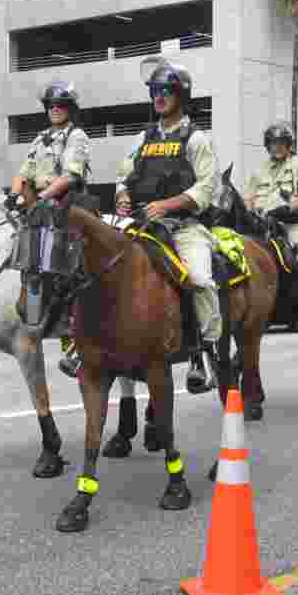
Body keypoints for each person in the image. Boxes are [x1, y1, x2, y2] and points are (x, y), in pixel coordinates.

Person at [115, 59, 221, 393]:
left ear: (180, 96)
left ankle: (204, 352)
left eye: (166, 92)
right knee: (98, 263)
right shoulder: (142, 138)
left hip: (182, 228)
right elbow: (123, 175)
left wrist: (166, 205)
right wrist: (121, 195)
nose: (158, 97)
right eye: (154, 92)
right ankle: (82, 342)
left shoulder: (197, 139)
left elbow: (206, 188)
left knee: (201, 280)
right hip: (142, 226)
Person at [4, 81, 91, 377]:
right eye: (51, 105)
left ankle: (77, 337)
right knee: (23, 261)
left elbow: (69, 176)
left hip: (68, 205)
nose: (55, 109)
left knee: (73, 272)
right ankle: (30, 320)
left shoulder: (76, 136)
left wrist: (41, 198)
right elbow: (23, 172)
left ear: (70, 109)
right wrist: (15, 196)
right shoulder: (40, 138)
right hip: (40, 206)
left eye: (61, 105)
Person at [242, 121, 298, 330]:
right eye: (273, 143)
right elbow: (249, 198)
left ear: (289, 145)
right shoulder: (259, 170)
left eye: (281, 143)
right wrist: (250, 209)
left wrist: (288, 206)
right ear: (267, 146)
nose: (277, 147)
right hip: (259, 225)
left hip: (291, 224)